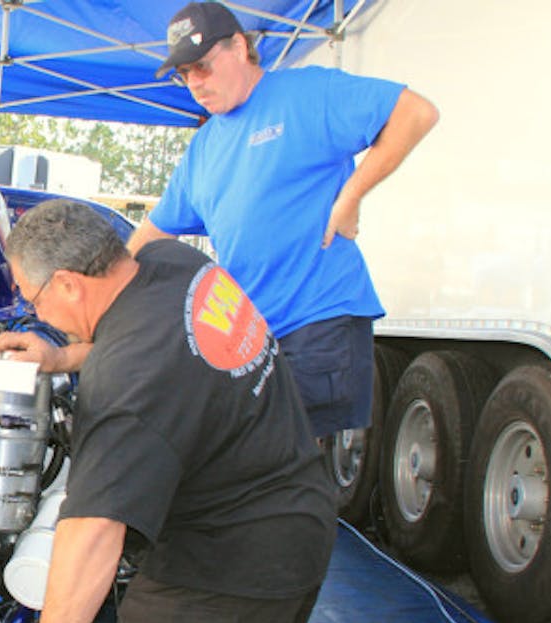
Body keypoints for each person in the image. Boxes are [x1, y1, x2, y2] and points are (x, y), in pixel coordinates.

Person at [0, 200, 492, 623]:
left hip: (241, 549)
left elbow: (92, 536)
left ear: (69, 283)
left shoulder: (125, 386)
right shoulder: (171, 264)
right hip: (293, 505)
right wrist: (64, 357)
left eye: (33, 297)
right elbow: (158, 347)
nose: (34, 310)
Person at [126, 1, 440, 438]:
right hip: (249, 338)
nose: (195, 82)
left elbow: (415, 113)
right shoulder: (205, 147)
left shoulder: (306, 93)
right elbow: (153, 233)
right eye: (184, 73)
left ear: (239, 47)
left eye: (202, 66)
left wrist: (350, 196)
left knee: (269, 463)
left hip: (317, 323)